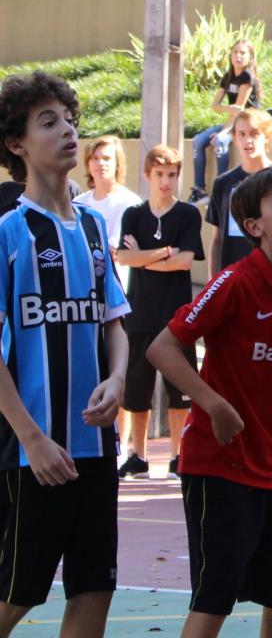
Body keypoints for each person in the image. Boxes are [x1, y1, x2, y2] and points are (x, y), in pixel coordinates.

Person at [147, 166, 272, 638]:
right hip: (218, 466)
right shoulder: (235, 282)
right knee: (215, 599)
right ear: (253, 226)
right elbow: (162, 348)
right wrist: (212, 404)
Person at [0, 71, 130, 636]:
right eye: (48, 122)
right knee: (15, 594)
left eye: (70, 119)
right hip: (32, 451)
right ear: (17, 144)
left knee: (94, 590)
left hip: (95, 446)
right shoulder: (9, 233)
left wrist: (119, 378)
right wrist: (32, 437)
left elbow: (115, 322)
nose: (67, 130)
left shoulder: (97, 228)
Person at [114, 144, 203, 481]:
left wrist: (145, 256)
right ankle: (137, 455)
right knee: (137, 388)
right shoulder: (133, 215)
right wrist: (163, 252)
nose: (165, 181)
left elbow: (184, 262)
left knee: (178, 389)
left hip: (177, 316)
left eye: (171, 175)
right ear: (148, 175)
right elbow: (124, 258)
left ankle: (178, 455)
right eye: (159, 174)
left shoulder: (188, 215)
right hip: (140, 312)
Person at [207, 109, 272, 272]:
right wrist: (213, 284)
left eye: (254, 133)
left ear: (267, 137)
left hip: (268, 280)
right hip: (231, 279)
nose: (248, 140)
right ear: (235, 138)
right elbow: (217, 239)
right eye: (242, 134)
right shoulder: (223, 183)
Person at [190, 39, 261, 201]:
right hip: (233, 120)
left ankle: (222, 189)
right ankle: (199, 190)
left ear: (250, 57)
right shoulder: (228, 77)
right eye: (235, 52)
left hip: (248, 123)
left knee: (220, 141)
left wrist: (224, 131)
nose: (238, 56)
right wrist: (228, 110)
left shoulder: (247, 76)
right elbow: (216, 105)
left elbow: (240, 110)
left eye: (243, 53)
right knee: (198, 141)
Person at [75, 135, 141, 284]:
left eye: (106, 158)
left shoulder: (130, 203)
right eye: (94, 158)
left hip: (116, 288)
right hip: (82, 287)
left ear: (118, 163)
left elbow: (114, 252)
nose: (100, 163)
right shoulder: (77, 203)